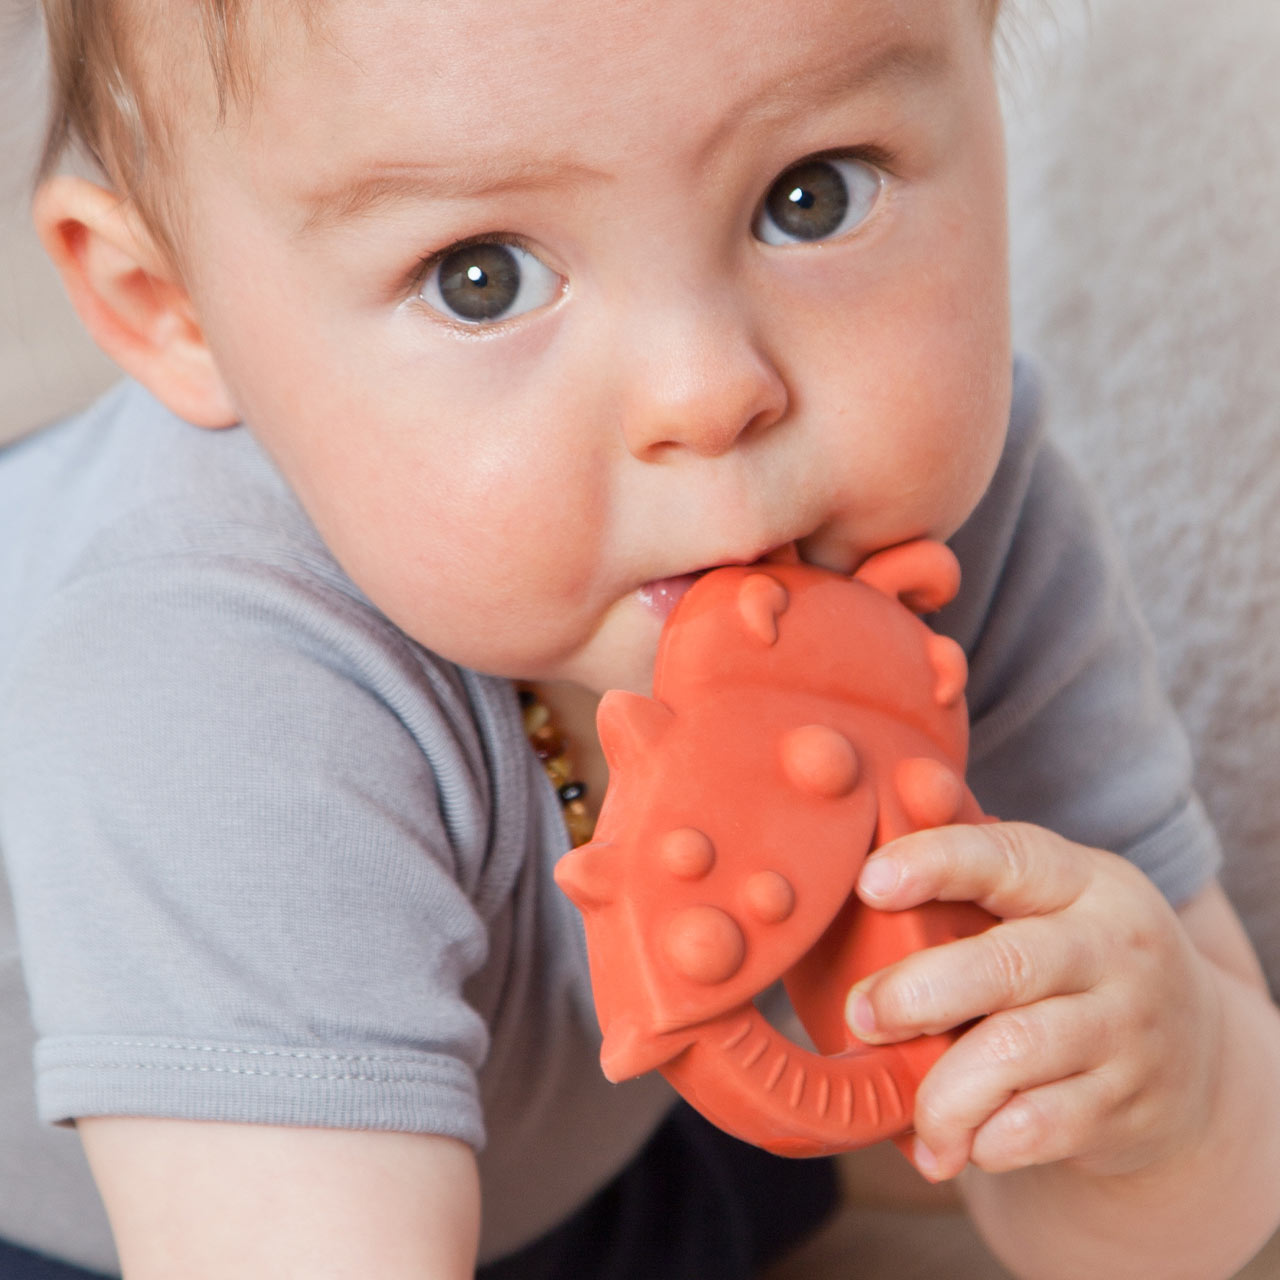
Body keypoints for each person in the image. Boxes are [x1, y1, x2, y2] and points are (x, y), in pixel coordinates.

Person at [1, 0, 1277, 1275]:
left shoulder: (936, 517)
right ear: (171, 308)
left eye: (813, 194)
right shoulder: (206, 675)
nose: (707, 391)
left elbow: (1139, 1234)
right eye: (481, 277)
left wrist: (1174, 1100)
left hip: (582, 1132)